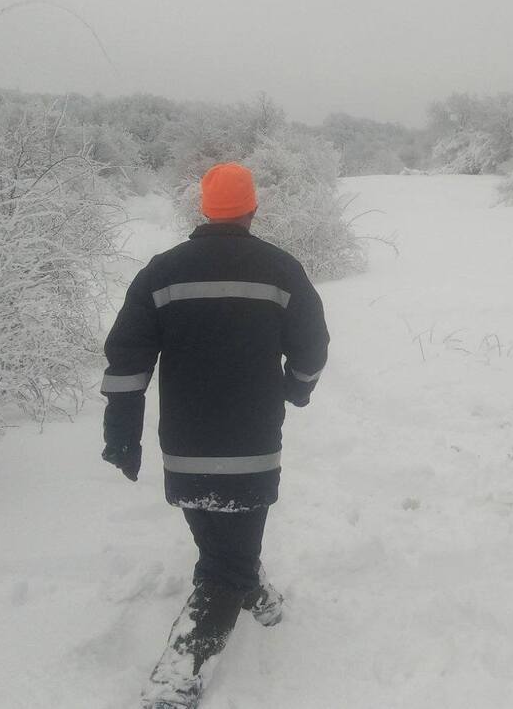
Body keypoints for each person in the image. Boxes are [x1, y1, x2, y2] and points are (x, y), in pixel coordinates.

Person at [100, 162, 330, 708]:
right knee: (225, 563)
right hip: (251, 446)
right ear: (253, 208)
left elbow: (128, 357)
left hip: (184, 446)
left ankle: (259, 595)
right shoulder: (280, 269)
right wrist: (296, 389)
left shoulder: (162, 272)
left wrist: (123, 430)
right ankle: (174, 681)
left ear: (204, 209)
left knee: (217, 540)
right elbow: (312, 346)